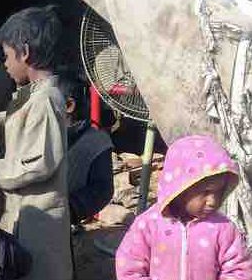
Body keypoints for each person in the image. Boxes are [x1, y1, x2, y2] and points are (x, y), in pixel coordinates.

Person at [0, 6, 73, 280]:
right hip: (25, 214)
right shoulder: (32, 95)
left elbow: (39, 165)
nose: (5, 64)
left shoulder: (46, 100)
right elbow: (19, 116)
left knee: (41, 272)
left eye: (7, 56)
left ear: (24, 53)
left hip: (40, 222)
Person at [115, 134, 252, 280]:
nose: (213, 201)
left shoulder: (223, 229)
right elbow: (129, 268)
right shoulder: (148, 224)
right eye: (206, 192)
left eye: (219, 192)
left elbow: (239, 269)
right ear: (180, 188)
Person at [57, 70, 113, 224]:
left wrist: (70, 209)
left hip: (62, 221)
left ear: (69, 105)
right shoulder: (38, 133)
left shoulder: (97, 142)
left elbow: (102, 189)